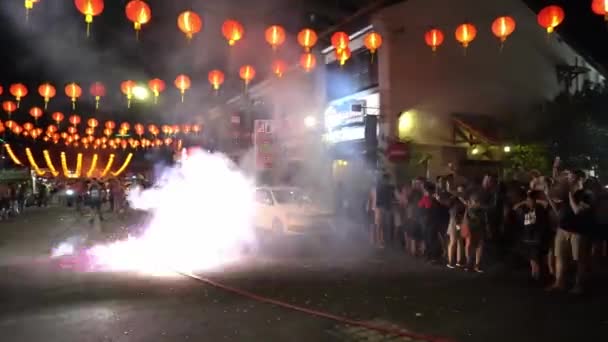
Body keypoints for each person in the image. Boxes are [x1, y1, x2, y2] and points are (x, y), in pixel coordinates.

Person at [546, 170, 592, 294]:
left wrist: (570, 195)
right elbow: (557, 211)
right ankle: (559, 283)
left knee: (579, 259)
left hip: (578, 232)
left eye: (572, 177)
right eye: (569, 177)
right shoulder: (565, 194)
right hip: (562, 229)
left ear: (580, 179)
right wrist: (548, 197)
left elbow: (577, 210)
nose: (568, 179)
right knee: (560, 257)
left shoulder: (586, 194)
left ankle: (578, 285)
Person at [514, 190, 550, 281]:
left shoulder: (539, 210)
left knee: (535, 258)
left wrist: (536, 201)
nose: (529, 202)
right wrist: (525, 201)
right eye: (528, 201)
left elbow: (546, 204)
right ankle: (534, 275)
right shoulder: (526, 210)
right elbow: (515, 208)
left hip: (536, 238)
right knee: (532, 258)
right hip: (528, 238)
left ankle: (537, 276)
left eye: (531, 201)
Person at [461, 193, 489, 272]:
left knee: (478, 246)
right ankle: (470, 264)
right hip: (472, 230)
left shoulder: (480, 210)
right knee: (471, 247)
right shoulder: (470, 209)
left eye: (479, 201)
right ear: (472, 201)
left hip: (478, 230)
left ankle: (476, 265)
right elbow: (476, 219)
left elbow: (485, 221)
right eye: (476, 201)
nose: (478, 203)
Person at [446, 186, 466, 268]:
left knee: (460, 241)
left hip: (461, 221)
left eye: (462, 190)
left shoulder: (463, 200)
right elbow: (453, 212)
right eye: (460, 191)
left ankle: (459, 261)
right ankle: (450, 262)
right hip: (455, 221)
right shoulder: (454, 200)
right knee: (453, 241)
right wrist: (457, 224)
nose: (461, 192)